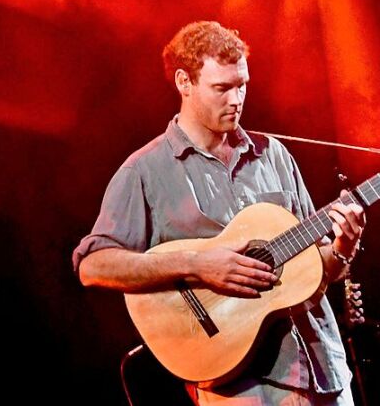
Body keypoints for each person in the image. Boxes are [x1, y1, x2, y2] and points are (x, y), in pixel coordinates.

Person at [73, 21, 366, 405]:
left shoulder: (273, 155)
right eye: (222, 88)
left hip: (323, 371)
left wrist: (344, 245)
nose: (236, 99)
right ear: (184, 82)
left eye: (242, 84)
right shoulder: (145, 171)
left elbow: (319, 270)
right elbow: (93, 266)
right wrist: (197, 265)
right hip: (243, 386)